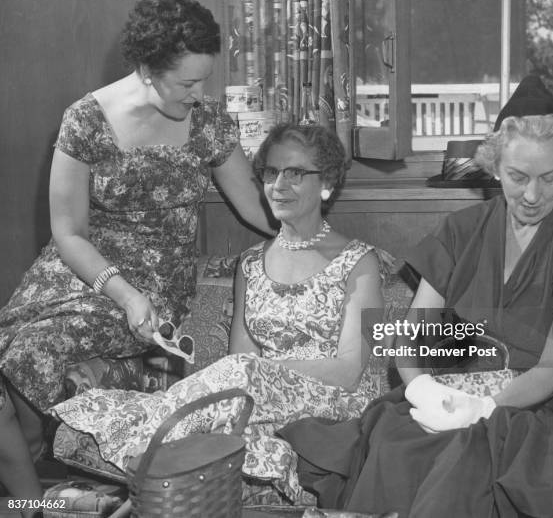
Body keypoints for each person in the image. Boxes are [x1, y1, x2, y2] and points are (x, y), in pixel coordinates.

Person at [278, 77, 553, 517]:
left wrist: (484, 407)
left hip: (537, 407)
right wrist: (423, 389)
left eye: (550, 178)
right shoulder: (459, 231)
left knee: (469, 459)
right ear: (494, 165)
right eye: (518, 177)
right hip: (449, 391)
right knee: (395, 445)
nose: (533, 195)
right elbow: (411, 341)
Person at [0, 0, 273, 512]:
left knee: (28, 355)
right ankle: (32, 505)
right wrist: (122, 294)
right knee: (14, 356)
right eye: (188, 83)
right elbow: (68, 232)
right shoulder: (86, 119)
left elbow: (256, 208)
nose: (200, 94)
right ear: (148, 68)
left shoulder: (209, 123)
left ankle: (38, 484)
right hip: (84, 272)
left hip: (157, 280)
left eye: (205, 81)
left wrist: (315, 229)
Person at [51, 123, 386, 505]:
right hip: (260, 404)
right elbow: (239, 361)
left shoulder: (362, 262)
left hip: (335, 404)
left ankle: (143, 440)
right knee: (239, 439)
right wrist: (250, 376)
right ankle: (146, 492)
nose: (279, 185)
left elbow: (349, 369)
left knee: (239, 374)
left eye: (295, 174)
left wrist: (259, 372)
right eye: (271, 173)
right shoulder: (251, 264)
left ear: (326, 182)